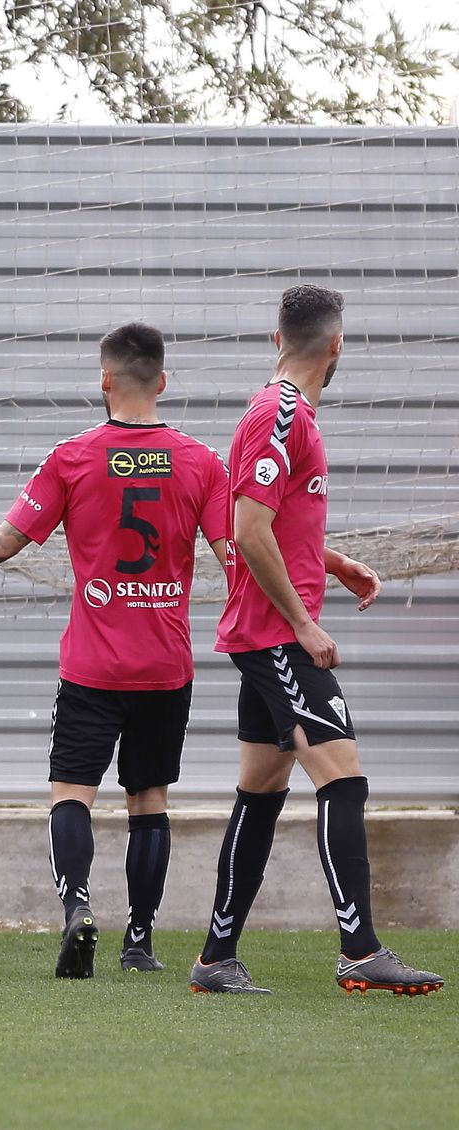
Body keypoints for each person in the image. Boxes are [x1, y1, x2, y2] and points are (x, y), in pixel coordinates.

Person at [0, 323, 228, 978]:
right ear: (162, 382)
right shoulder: (201, 462)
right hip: (166, 666)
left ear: (104, 380)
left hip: (92, 664)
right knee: (150, 801)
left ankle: (77, 908)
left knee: (72, 795)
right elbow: (236, 556)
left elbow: (8, 539)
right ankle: (139, 943)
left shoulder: (73, 456)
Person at [187, 285, 443, 996]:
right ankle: (359, 949)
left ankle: (215, 959)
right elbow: (247, 529)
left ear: (278, 339)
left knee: (262, 790)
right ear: (336, 346)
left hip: (265, 631)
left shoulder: (283, 413)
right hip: (276, 635)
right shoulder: (280, 413)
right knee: (344, 778)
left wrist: (332, 562)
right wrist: (303, 621)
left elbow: (277, 520)